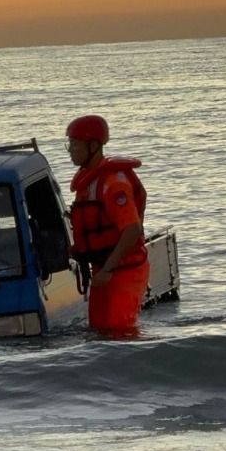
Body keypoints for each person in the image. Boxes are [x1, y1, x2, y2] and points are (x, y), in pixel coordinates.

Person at [64, 115, 150, 335]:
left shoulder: (113, 184)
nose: (70, 150)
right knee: (99, 332)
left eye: (74, 144)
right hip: (103, 269)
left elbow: (132, 230)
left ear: (93, 146)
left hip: (123, 270)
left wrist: (109, 269)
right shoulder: (89, 180)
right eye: (69, 144)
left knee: (119, 332)